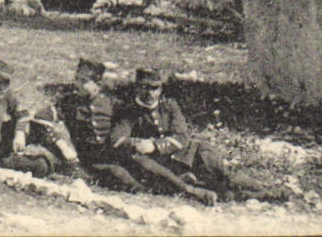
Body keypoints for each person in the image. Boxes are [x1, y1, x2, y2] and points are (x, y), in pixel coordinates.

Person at [110, 68, 262, 205]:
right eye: (145, 87)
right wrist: (139, 144)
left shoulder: (169, 106)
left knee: (215, 165)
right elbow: (117, 139)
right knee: (138, 158)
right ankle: (193, 190)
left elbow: (181, 136)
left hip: (185, 156)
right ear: (137, 87)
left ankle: (266, 191)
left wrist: (155, 145)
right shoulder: (129, 111)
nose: (150, 94)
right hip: (160, 166)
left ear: (161, 89)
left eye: (154, 88)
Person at [53, 59, 145, 192]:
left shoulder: (110, 102)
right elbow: (48, 116)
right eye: (76, 79)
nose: (76, 84)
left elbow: (127, 121)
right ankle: (140, 191)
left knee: (141, 164)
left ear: (98, 84)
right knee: (118, 173)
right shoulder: (69, 102)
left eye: (83, 81)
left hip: (109, 153)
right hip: (87, 159)